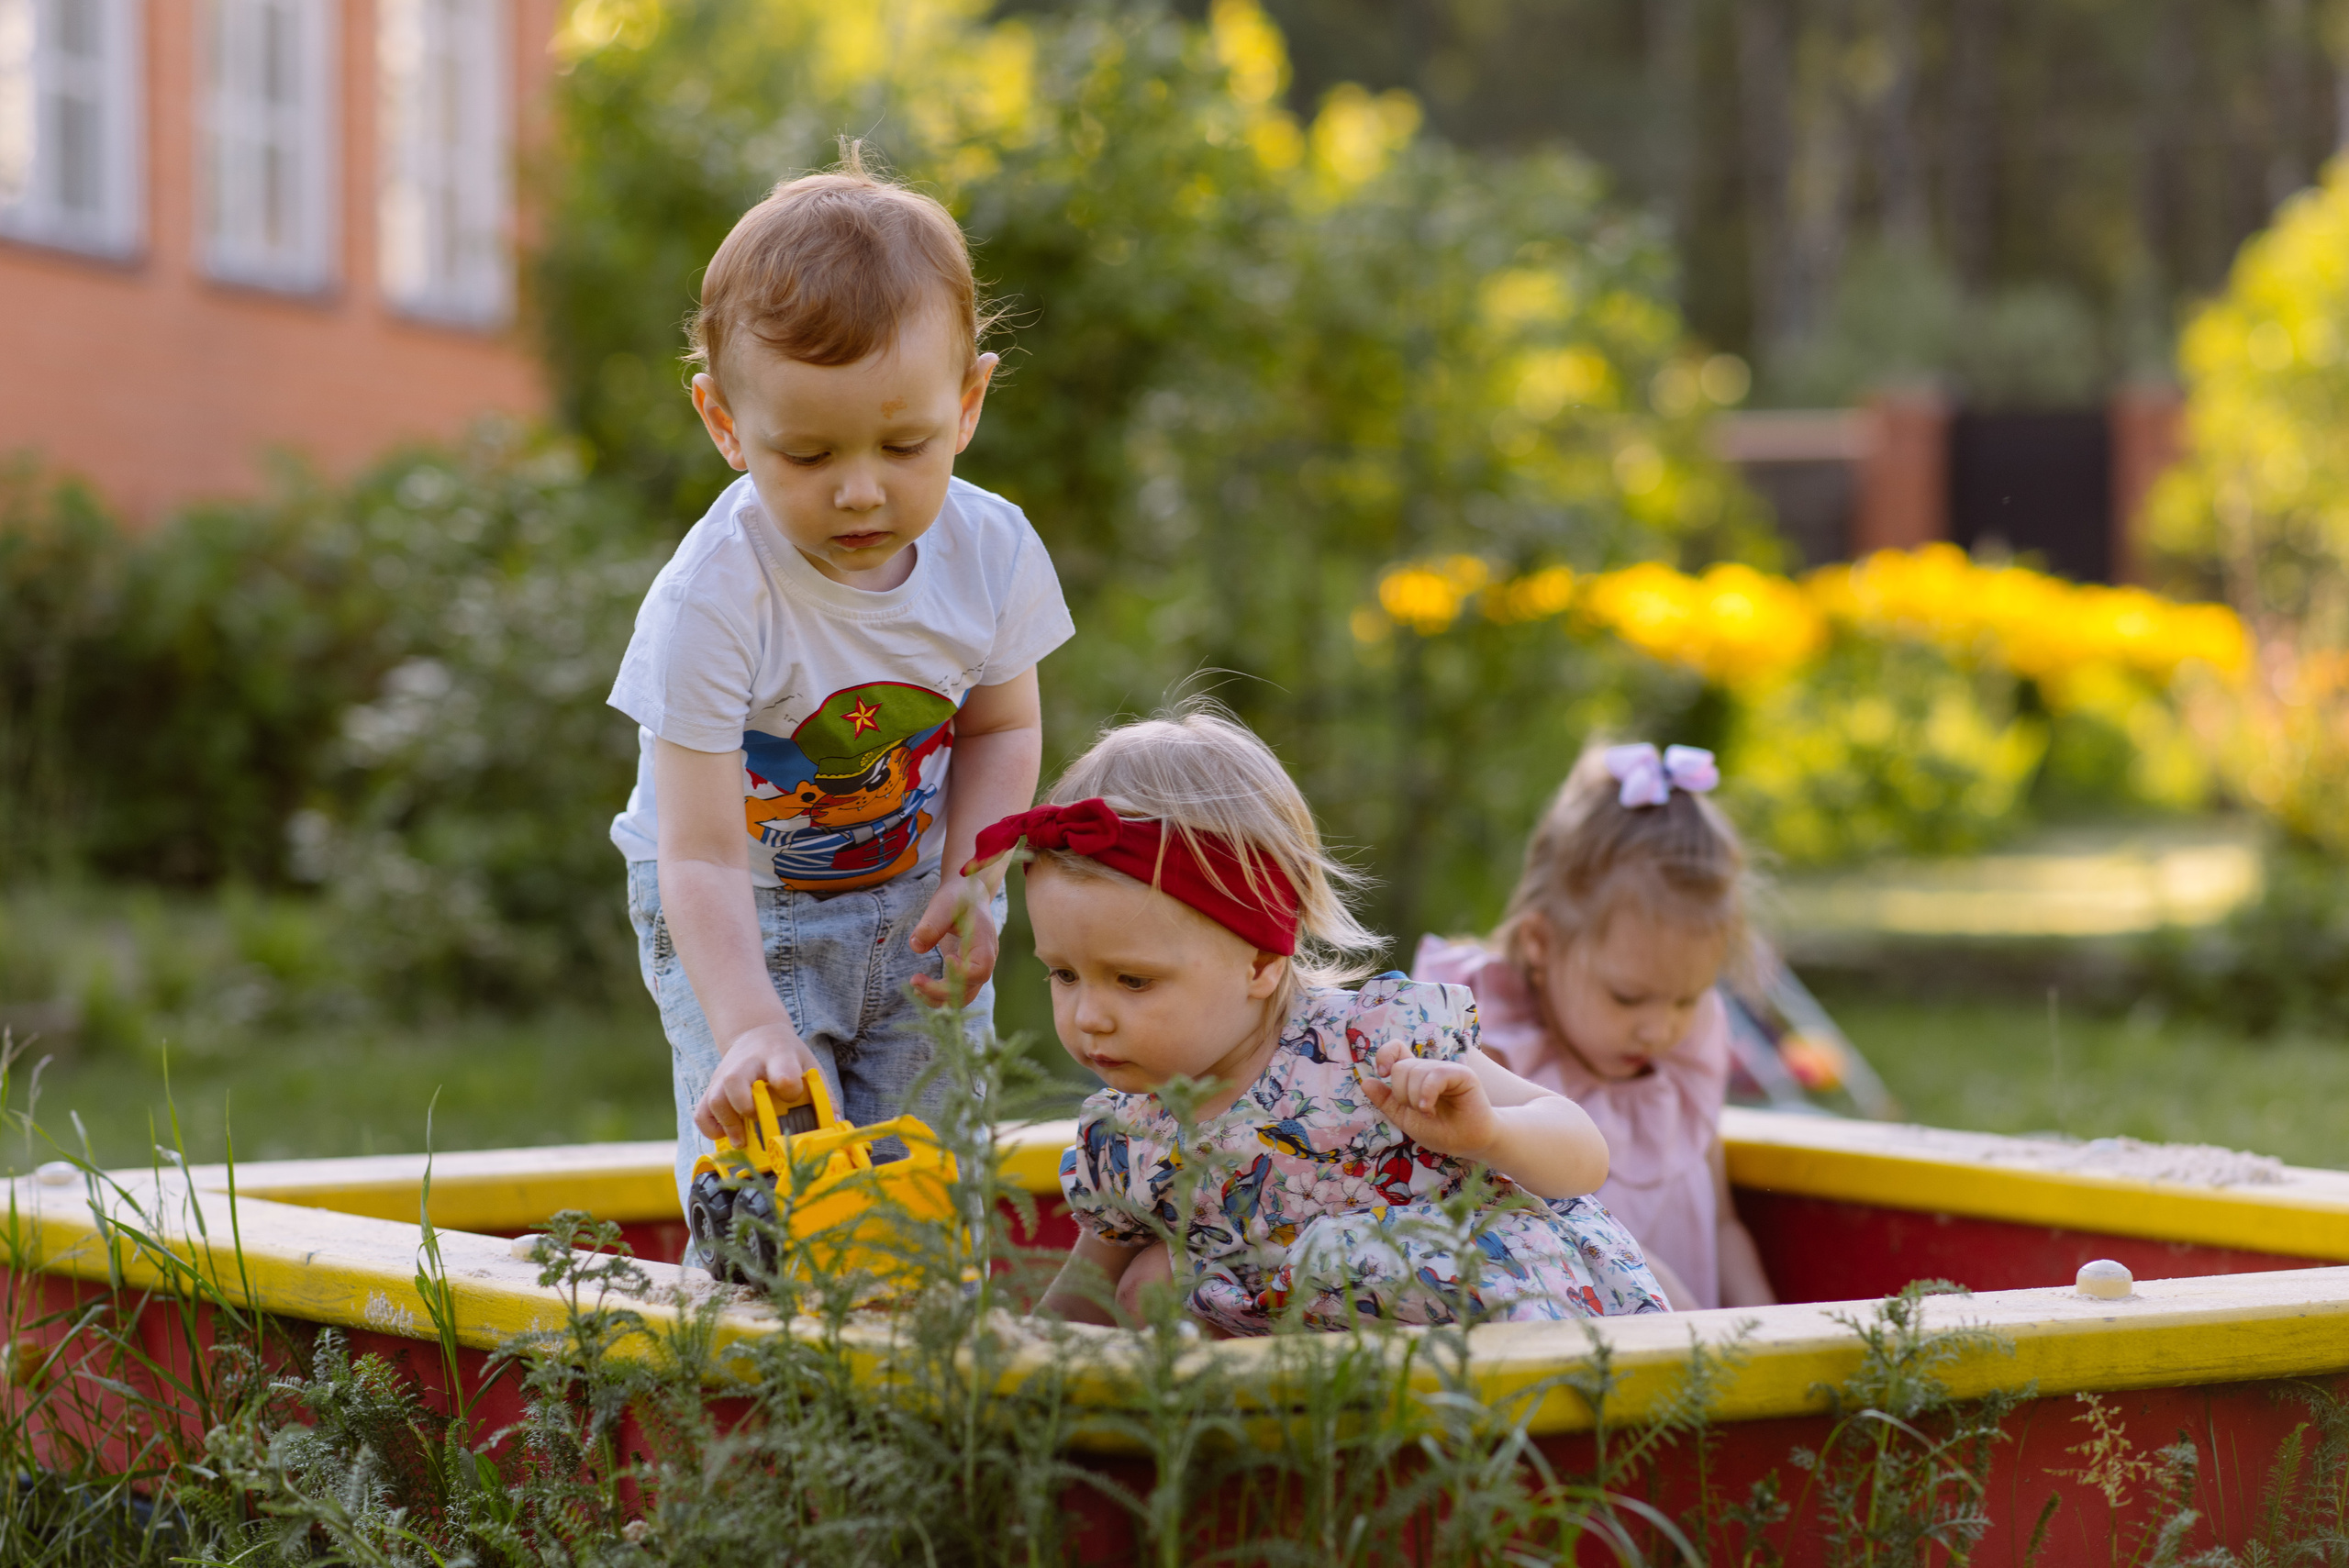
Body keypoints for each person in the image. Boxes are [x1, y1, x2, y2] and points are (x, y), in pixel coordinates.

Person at [607, 147, 1074, 1226]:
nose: (861, 490)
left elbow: (1003, 723)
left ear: (966, 404)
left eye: (904, 443)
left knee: (926, 1185)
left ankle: (914, 1360)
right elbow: (698, 849)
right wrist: (749, 1021)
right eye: (808, 455)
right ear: (726, 425)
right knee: (773, 1188)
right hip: (743, 909)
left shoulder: (990, 552)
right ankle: (750, 1364)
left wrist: (977, 872)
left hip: (917, 901)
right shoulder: (712, 602)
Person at [996, 708, 1667, 1335]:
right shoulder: (1126, 1138)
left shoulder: (1369, 1044)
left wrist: (1489, 1133)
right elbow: (1077, 1302)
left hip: (1499, 1336)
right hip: (1322, 1389)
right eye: (1063, 974)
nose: (1088, 1017)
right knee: (1150, 1282)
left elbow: (1584, 1154)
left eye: (1132, 980)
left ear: (1260, 960)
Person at [1414, 741, 1776, 1312]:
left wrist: (1767, 1325)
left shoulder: (1685, 1057)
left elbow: (1725, 1224)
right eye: (1628, 997)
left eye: (1687, 998)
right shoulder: (1499, 1057)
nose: (1659, 1029)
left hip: (1703, 1379)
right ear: (1541, 944)